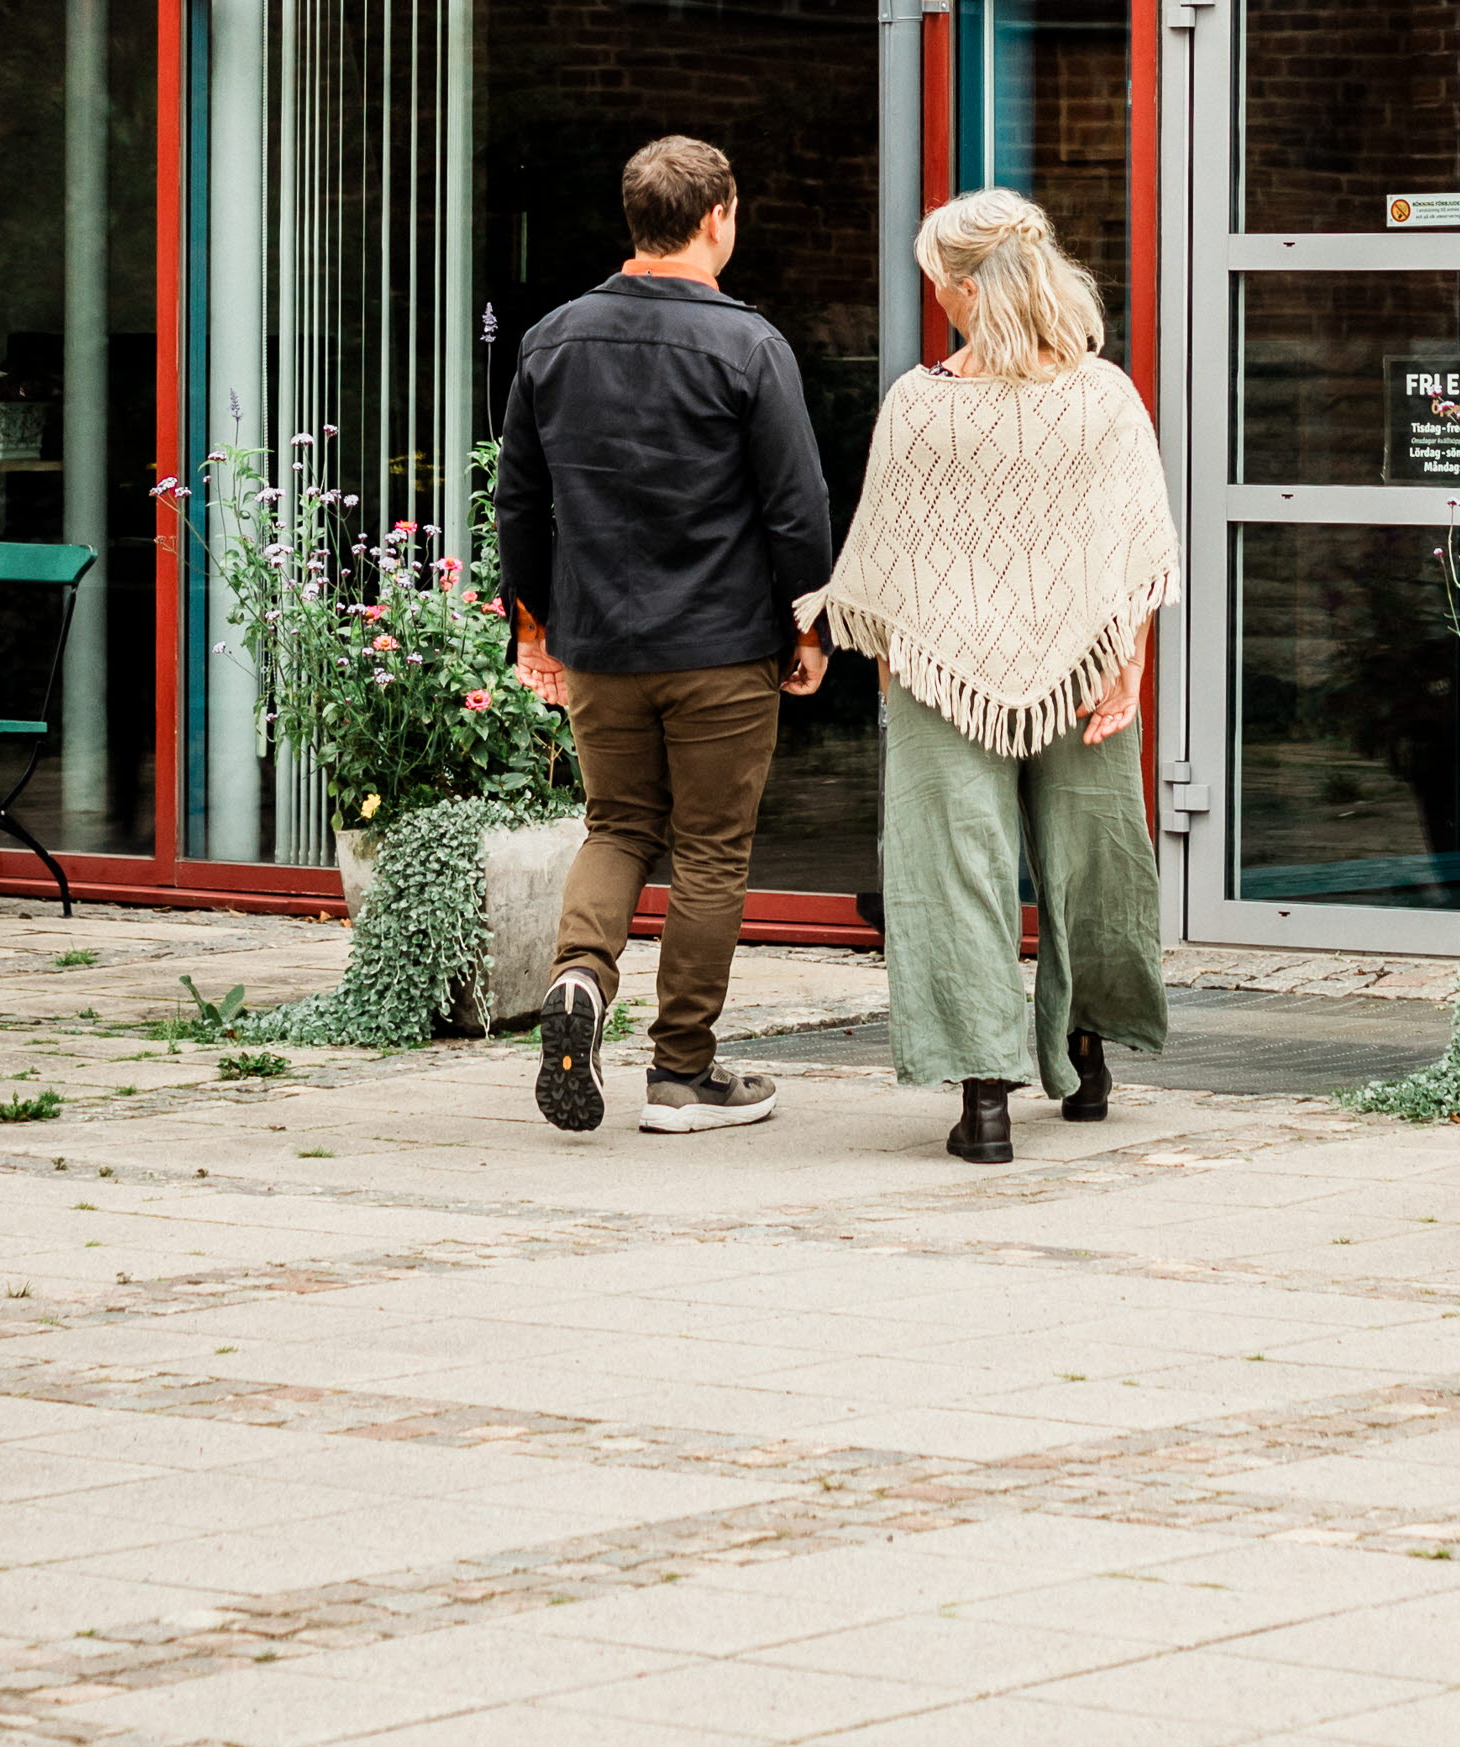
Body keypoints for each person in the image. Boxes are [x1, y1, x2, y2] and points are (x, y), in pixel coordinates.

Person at [803, 189, 1175, 1165]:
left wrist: (891, 662)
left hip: (941, 676)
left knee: (955, 873)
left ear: (969, 289)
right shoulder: (1104, 396)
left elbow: (885, 562)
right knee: (1092, 859)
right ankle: (1086, 1054)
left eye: (939, 283)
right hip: (1085, 665)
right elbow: (1137, 555)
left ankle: (985, 1104)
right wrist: (1127, 669)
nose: (936, 298)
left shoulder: (921, 405)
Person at [497, 136, 833, 1137]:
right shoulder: (749, 346)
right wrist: (808, 625)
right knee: (712, 852)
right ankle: (682, 1074)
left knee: (617, 829)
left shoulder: (552, 339)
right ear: (718, 217)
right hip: (722, 647)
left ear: (634, 218)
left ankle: (577, 985)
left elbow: (521, 499)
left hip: (599, 644)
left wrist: (533, 623)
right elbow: (796, 507)